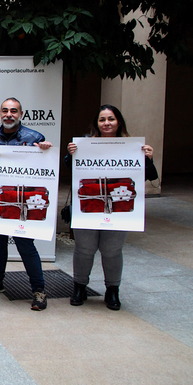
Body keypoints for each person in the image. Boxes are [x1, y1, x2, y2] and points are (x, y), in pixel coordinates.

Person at [65, 104, 158, 310]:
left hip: (119, 207)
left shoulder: (132, 146)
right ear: (96, 123)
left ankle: (112, 290)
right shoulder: (85, 143)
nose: (106, 123)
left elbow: (151, 176)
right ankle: (79, 287)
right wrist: (71, 154)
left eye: (111, 119)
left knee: (112, 250)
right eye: (102, 119)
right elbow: (69, 169)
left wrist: (148, 159)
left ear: (118, 122)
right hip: (88, 205)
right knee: (84, 249)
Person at [0, 97, 52, 311]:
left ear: (20, 114)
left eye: (14, 111)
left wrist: (45, 149)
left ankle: (39, 290)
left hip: (22, 204)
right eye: (5, 111)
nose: (9, 115)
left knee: (26, 246)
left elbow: (44, 166)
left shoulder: (35, 137)